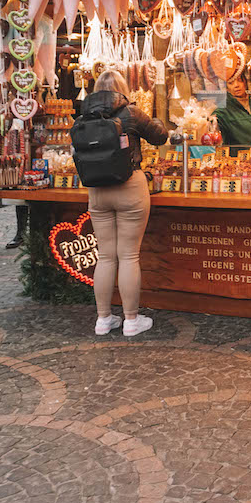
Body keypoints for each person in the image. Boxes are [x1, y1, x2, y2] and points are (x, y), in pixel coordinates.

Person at [82, 69, 167, 337]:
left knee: (105, 256)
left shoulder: (84, 114)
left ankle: (103, 319)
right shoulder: (130, 112)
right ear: (122, 89)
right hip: (129, 186)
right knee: (129, 255)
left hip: (96, 190)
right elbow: (159, 136)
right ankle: (131, 320)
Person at [213, 76, 251, 145]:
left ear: (245, 82)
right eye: (230, 83)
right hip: (238, 154)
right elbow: (212, 123)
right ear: (226, 87)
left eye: (240, 80)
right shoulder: (223, 109)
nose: (236, 85)